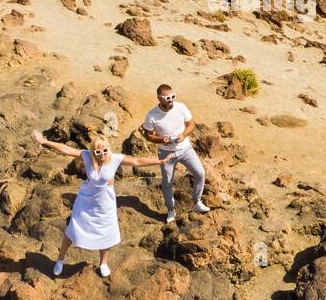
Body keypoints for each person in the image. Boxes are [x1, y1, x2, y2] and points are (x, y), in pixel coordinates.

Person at [31, 131, 169, 278]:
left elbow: (137, 161)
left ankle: (103, 263)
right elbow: (66, 149)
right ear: (93, 151)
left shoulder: (114, 158)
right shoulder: (87, 156)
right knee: (72, 230)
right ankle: (60, 260)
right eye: (98, 151)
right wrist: (44, 141)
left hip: (105, 203)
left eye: (105, 150)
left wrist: (159, 162)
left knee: (105, 231)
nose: (102, 153)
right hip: (86, 200)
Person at [141, 84, 210, 223]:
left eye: (173, 96)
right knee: (167, 183)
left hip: (185, 149)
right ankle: (171, 210)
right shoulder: (152, 115)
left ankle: (197, 202)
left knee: (200, 173)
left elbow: (191, 124)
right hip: (166, 154)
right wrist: (162, 139)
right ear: (159, 98)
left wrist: (183, 135)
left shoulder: (181, 107)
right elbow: (148, 135)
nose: (171, 100)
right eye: (167, 98)